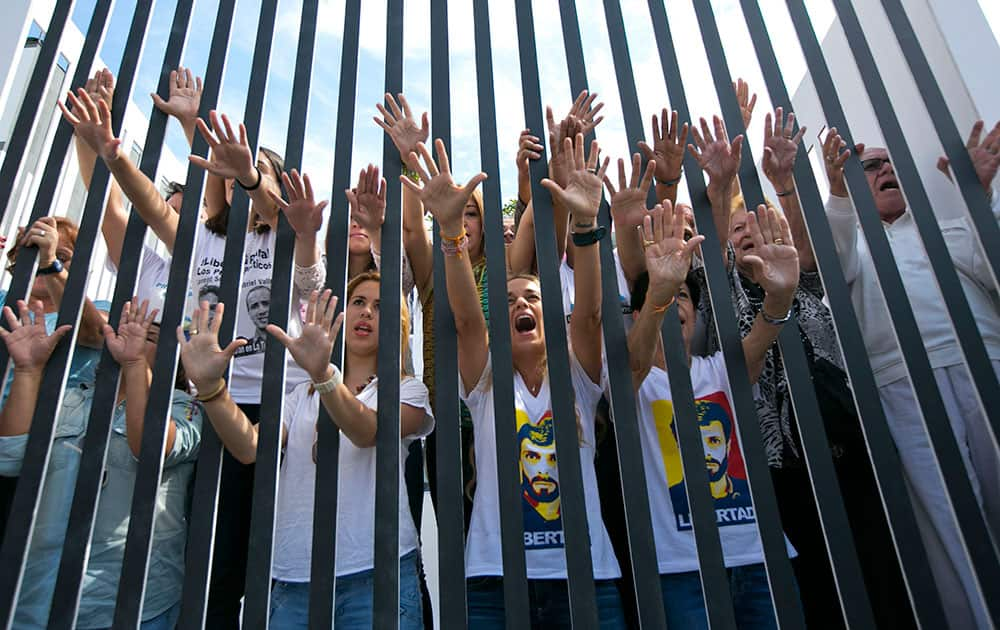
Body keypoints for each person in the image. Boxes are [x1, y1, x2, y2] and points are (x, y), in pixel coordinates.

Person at [404, 133, 625, 626]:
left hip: (586, 580)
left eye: (532, 298)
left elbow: (588, 316)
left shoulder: (579, 381)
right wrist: (449, 232)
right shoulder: (485, 385)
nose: (521, 304)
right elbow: (465, 320)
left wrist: (585, 224)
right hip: (493, 583)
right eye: (508, 303)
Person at [177, 276, 432, 629]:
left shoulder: (407, 389)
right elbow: (251, 447)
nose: (367, 312)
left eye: (380, 307)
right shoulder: (302, 394)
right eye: (358, 302)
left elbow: (367, 431)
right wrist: (212, 389)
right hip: (295, 577)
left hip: (378, 574)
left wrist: (325, 376)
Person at [823, 121, 1000, 630]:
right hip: (900, 385)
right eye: (871, 166)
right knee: (950, 526)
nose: (886, 171)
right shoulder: (850, 244)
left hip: (983, 367)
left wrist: (980, 199)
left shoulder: (947, 230)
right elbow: (830, 268)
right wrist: (836, 192)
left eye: (891, 164)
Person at [627, 200, 797, 629]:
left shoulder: (719, 369)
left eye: (682, 296)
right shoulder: (632, 378)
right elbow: (633, 364)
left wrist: (778, 297)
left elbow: (763, 335)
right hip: (682, 569)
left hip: (759, 557)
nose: (672, 302)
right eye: (661, 297)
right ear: (637, 313)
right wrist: (660, 293)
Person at [0, 298, 202, 629]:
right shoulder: (70, 397)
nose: (125, 339)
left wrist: (136, 364)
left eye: (146, 336)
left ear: (173, 357)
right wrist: (27, 370)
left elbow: (152, 450)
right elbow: (8, 456)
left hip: (132, 601)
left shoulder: (187, 408)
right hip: (39, 596)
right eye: (118, 331)